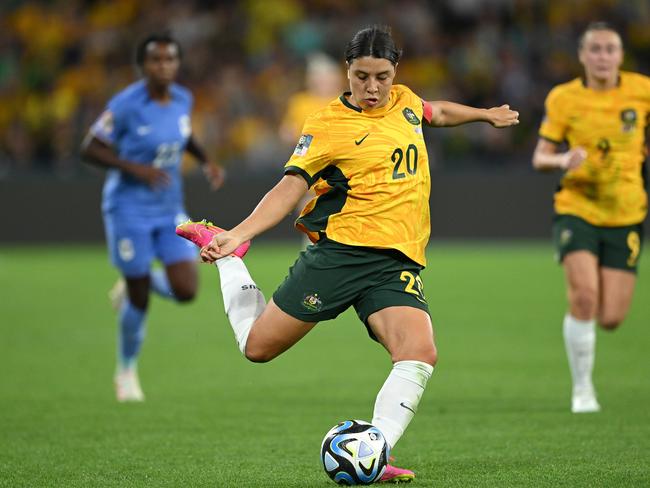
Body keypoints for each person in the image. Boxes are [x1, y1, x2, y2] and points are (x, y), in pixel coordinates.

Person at [177, 25, 518, 482]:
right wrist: (237, 234)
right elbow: (289, 188)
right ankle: (226, 256)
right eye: (361, 77)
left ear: (395, 71)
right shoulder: (326, 124)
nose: (373, 88)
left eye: (382, 76)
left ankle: (371, 456)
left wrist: (483, 114)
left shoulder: (406, 102)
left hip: (393, 262)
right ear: (347, 72)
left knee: (419, 351)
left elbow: (436, 112)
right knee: (256, 348)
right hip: (340, 257)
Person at [81, 33, 224, 402]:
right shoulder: (126, 105)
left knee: (187, 290)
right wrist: (135, 168)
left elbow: (182, 134)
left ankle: (131, 282)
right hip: (128, 208)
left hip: (168, 206)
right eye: (156, 60)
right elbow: (91, 148)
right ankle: (126, 371)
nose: (164, 66)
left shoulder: (182, 98)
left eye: (170, 60)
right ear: (143, 66)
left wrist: (205, 159)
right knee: (140, 298)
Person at [532, 22, 648, 413]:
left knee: (612, 317)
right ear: (582, 55)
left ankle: (589, 339)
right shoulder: (564, 98)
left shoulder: (641, 91)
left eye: (610, 49)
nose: (602, 56)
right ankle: (583, 390)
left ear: (620, 55)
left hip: (627, 210)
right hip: (577, 208)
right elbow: (540, 157)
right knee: (584, 297)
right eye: (595, 49)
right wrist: (563, 159)